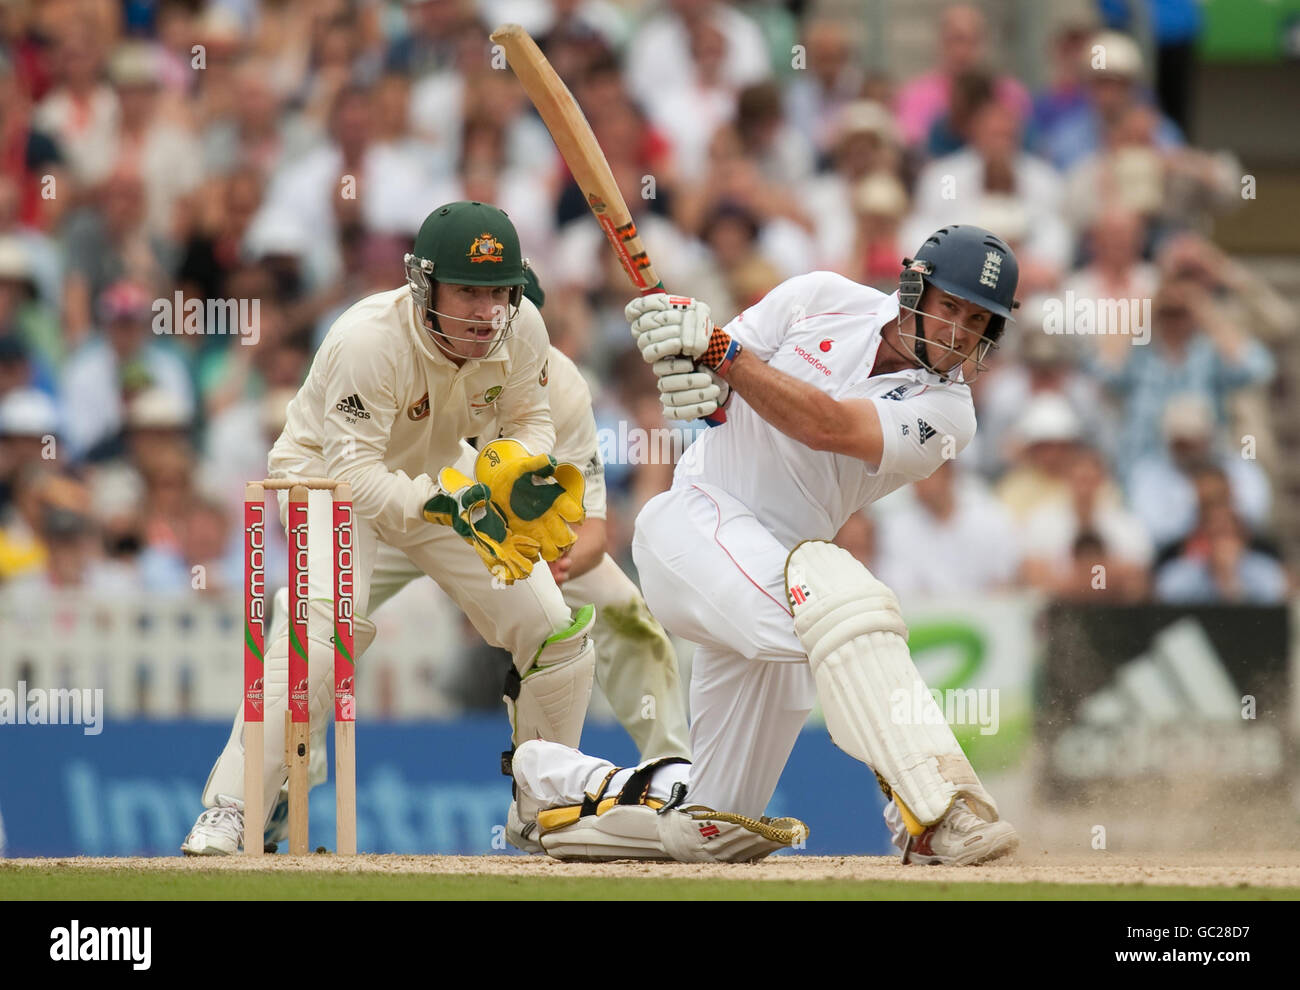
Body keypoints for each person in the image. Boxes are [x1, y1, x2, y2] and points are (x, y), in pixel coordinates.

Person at [511, 225, 1022, 865]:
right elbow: (720, 389)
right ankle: (935, 806)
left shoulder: (950, 415)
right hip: (694, 527)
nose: (959, 333)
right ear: (914, 288)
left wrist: (719, 355)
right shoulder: (820, 296)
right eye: (951, 307)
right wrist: (687, 365)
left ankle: (552, 780)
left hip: (781, 571)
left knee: (713, 829)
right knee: (850, 612)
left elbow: (823, 424)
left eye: (978, 322)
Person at [182, 201, 596, 855]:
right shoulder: (367, 339)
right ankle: (239, 808)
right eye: (467, 290)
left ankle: (544, 806)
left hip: (440, 472)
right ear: (423, 285)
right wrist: (452, 505)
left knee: (555, 631)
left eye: (498, 292)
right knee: (319, 635)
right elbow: (358, 478)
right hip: (326, 477)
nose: (485, 312)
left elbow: (530, 420)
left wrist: (513, 471)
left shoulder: (522, 330)